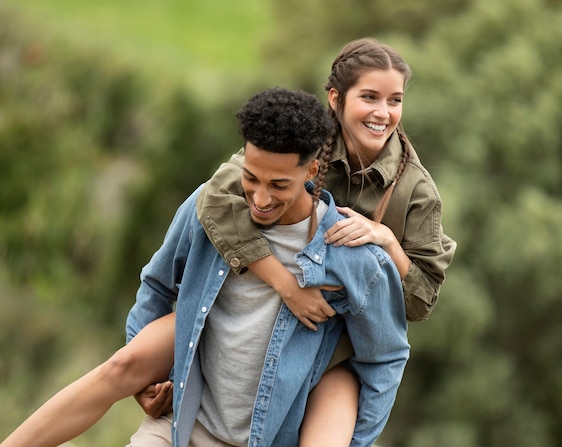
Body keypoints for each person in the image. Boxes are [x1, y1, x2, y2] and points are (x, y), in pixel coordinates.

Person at [0, 87, 409, 447]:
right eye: (251, 178)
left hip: (266, 438)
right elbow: (158, 287)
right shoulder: (208, 208)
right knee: (120, 365)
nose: (261, 197)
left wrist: (352, 442)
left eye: (279, 184)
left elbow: (384, 359)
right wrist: (146, 381)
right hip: (181, 424)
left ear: (312, 170)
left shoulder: (356, 258)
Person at [138, 37, 457, 445]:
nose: (383, 112)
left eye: (395, 100)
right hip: (258, 331)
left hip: (333, 357)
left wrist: (387, 243)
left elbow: (418, 302)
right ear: (336, 98)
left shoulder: (417, 191)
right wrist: (285, 284)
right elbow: (215, 200)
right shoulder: (298, 143)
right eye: (370, 97)